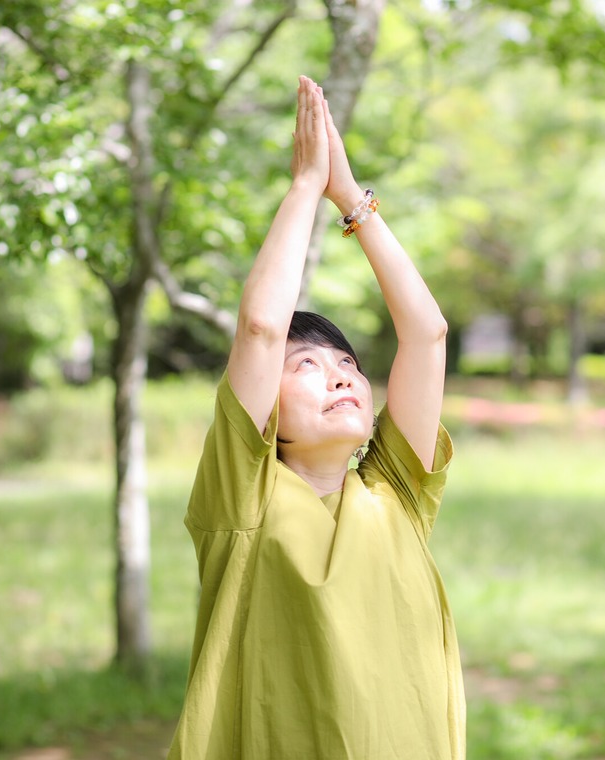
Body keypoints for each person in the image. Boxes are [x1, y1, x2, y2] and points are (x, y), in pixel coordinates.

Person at [166, 76, 465, 759]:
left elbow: (427, 334)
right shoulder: (243, 498)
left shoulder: (397, 490)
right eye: (307, 368)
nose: (339, 377)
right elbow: (261, 329)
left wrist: (352, 198)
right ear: (265, 411)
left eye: (348, 368)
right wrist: (305, 186)